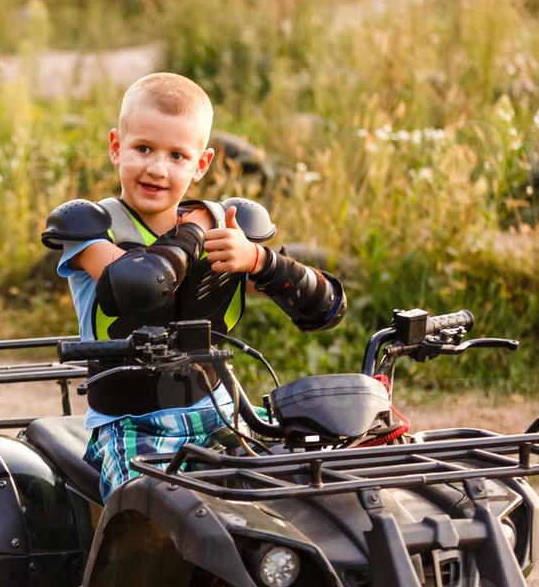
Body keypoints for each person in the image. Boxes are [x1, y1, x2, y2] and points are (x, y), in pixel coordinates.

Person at [42, 73, 346, 499]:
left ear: (201, 164)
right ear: (116, 147)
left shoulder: (232, 228)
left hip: (222, 411)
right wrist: (197, 230)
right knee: (151, 511)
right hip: (133, 426)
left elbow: (326, 309)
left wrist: (258, 260)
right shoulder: (92, 230)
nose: (157, 168)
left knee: (314, 486)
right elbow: (138, 284)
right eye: (143, 148)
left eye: (177, 156)